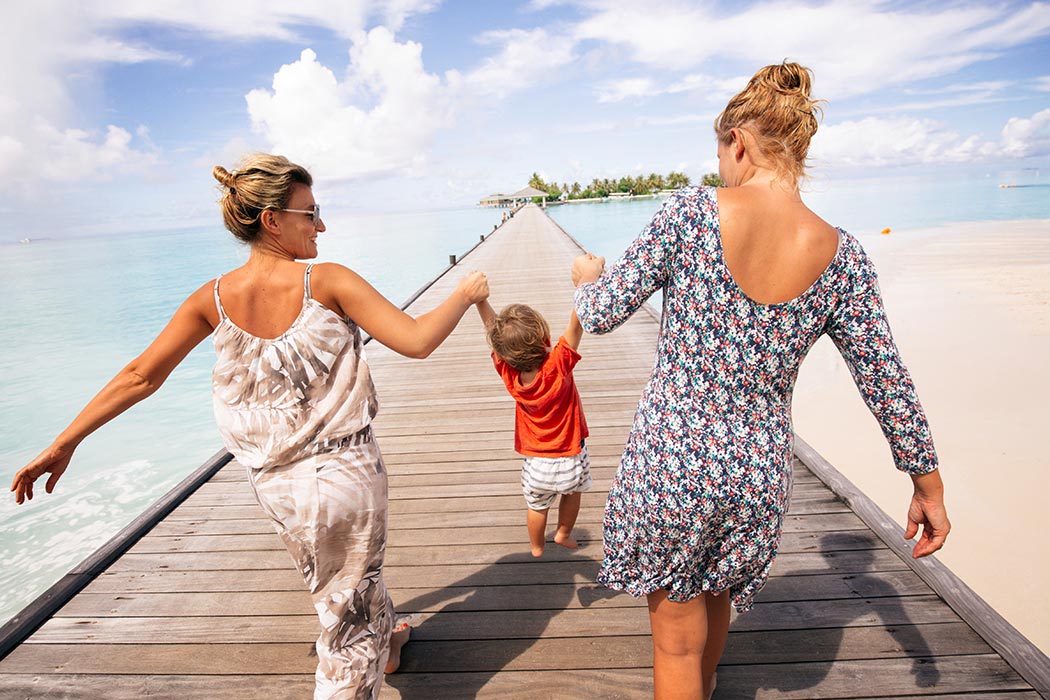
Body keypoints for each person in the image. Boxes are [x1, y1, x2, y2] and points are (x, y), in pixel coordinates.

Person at [10, 154, 490, 700]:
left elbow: (141, 375)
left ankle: (391, 638)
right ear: (272, 220)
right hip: (344, 479)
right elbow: (418, 340)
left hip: (276, 487)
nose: (322, 226)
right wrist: (464, 294)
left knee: (343, 586)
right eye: (311, 213)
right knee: (344, 631)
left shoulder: (211, 298)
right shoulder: (327, 279)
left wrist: (64, 442)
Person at [571, 62, 950, 700]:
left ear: (738, 142)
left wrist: (585, 282)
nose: (720, 167)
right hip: (756, 472)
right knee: (715, 602)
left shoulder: (688, 216)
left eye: (720, 152)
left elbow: (604, 313)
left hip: (675, 462)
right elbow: (885, 380)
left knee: (674, 648)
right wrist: (927, 483)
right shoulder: (844, 254)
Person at [476, 300, 592, 557]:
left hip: (537, 464)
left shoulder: (508, 373)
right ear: (545, 339)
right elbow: (576, 326)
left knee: (536, 506)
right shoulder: (558, 365)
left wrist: (480, 301)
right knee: (573, 492)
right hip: (571, 454)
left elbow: (495, 335)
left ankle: (537, 546)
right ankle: (563, 532)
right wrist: (585, 284)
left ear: (505, 354)